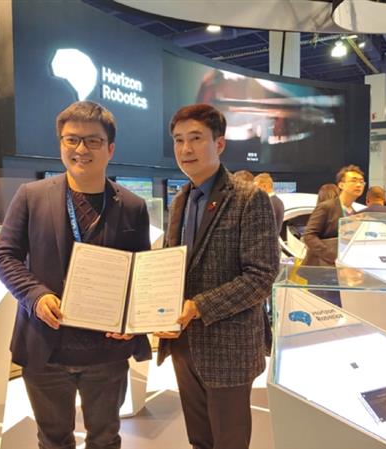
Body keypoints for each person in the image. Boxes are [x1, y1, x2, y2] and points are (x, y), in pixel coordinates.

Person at [0, 101, 152, 449]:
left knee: (105, 439)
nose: (81, 149)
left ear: (110, 149)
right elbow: (5, 256)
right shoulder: (31, 196)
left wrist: (132, 318)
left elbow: (141, 275)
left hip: (107, 352)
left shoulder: (132, 206)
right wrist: (35, 296)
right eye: (72, 140)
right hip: (46, 347)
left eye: (93, 141)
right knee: (53, 441)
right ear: (61, 144)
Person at [156, 104, 279, 449]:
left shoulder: (248, 198)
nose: (186, 148)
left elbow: (261, 276)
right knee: (199, 440)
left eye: (196, 138)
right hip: (183, 343)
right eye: (178, 139)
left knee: (229, 441)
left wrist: (199, 306)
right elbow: (172, 265)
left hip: (228, 347)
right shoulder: (180, 200)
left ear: (219, 144)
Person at [302, 165, 365, 266]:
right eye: (353, 181)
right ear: (341, 185)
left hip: (343, 267)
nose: (358, 185)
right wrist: (333, 256)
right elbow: (309, 236)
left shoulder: (354, 213)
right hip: (321, 267)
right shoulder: (327, 207)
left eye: (361, 182)